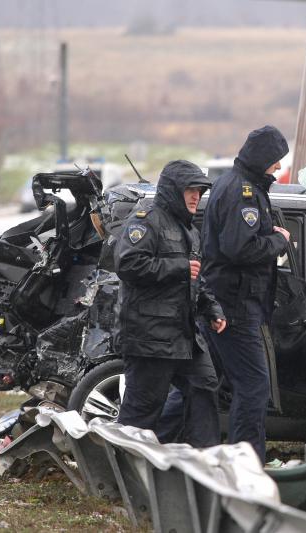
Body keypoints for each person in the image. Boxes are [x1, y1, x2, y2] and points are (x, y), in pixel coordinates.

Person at [115, 159, 226, 448]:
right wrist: (177, 266)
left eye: (200, 191)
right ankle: (121, 474)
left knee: (204, 387)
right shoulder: (145, 219)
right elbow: (127, 264)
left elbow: (195, 280)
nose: (196, 196)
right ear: (172, 190)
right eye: (190, 189)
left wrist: (211, 308)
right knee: (142, 411)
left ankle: (205, 461)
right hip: (150, 337)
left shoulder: (191, 231)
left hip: (185, 335)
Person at [201, 125, 291, 461]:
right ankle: (245, 463)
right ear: (262, 159)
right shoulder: (243, 192)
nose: (278, 168)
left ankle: (154, 441)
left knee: (201, 383)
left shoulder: (237, 184)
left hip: (225, 302)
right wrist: (279, 239)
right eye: (275, 161)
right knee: (253, 387)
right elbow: (239, 248)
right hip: (235, 307)